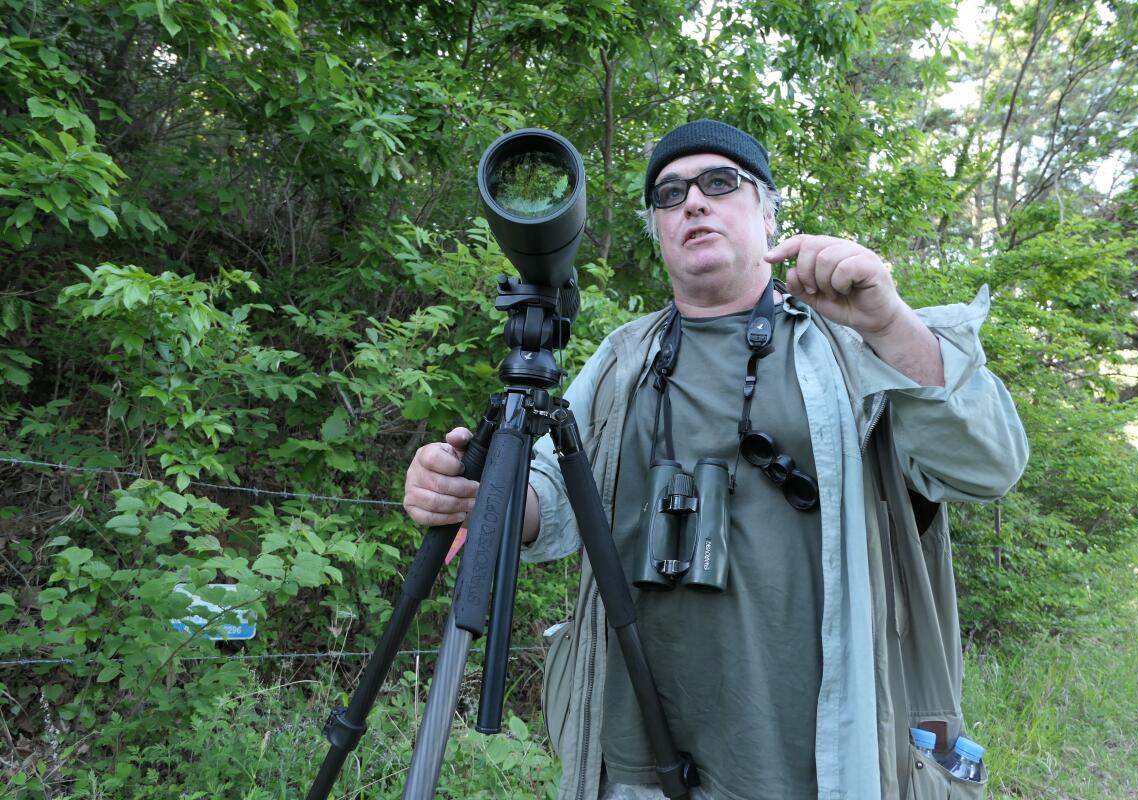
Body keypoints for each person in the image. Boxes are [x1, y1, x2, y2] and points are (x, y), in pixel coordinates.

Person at [403, 119, 1029, 800]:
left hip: (821, 763)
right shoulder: (623, 360)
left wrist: (889, 322)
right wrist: (474, 492)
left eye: (720, 182)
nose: (694, 201)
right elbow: (547, 508)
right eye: (669, 195)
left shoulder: (852, 343)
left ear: (767, 213)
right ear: (658, 231)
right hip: (637, 761)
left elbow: (989, 465)